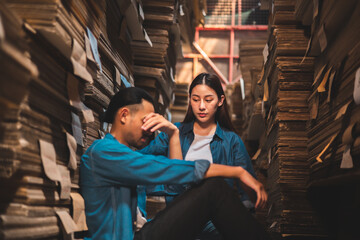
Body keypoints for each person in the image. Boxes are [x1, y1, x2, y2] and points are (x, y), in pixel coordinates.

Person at [80, 87, 269, 240]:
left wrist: (173, 134)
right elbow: (165, 169)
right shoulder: (103, 152)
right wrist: (237, 172)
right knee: (213, 189)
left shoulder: (123, 155)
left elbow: (176, 181)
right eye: (146, 121)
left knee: (211, 198)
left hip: (138, 233)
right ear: (124, 115)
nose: (151, 130)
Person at [139, 73, 257, 239]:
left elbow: (250, 198)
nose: (201, 106)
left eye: (208, 100)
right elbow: (134, 166)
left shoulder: (232, 142)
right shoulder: (172, 134)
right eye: (195, 99)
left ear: (220, 101)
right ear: (189, 99)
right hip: (178, 223)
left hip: (216, 229)